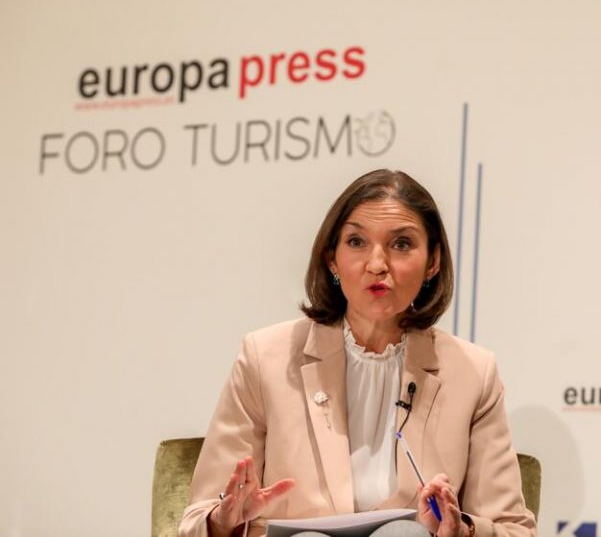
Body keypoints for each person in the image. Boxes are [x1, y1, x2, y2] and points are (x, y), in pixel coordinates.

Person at [179, 169, 537, 537]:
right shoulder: (265, 358)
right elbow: (196, 519)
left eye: (401, 244)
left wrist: (462, 530)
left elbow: (515, 530)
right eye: (356, 242)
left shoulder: (473, 373)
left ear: (433, 262)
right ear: (331, 259)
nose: (377, 264)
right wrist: (222, 521)